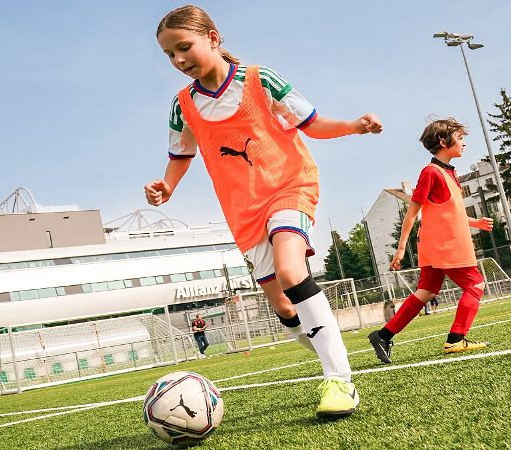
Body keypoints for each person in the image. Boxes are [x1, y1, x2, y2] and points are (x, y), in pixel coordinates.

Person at [146, 5, 382, 418]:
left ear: (213, 38)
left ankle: (339, 379)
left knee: (293, 272)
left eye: (184, 47)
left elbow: (310, 123)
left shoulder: (259, 79)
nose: (179, 60)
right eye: (170, 55)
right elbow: (180, 154)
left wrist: (351, 125)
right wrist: (167, 185)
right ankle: (333, 353)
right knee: (283, 307)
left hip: (290, 186)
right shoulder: (181, 104)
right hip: (243, 211)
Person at [368, 118, 492, 364]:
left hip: (439, 242)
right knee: (475, 285)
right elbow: (412, 213)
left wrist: (475, 223)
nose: (465, 143)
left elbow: (447, 211)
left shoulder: (446, 172)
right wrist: (401, 248)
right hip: (445, 244)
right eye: (460, 138)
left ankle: (382, 336)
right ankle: (456, 340)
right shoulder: (431, 173)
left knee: (426, 292)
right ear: (444, 142)